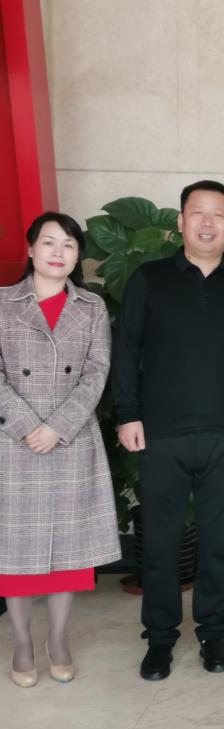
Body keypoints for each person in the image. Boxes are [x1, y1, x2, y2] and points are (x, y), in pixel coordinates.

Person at [112, 180, 224, 681]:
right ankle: (159, 639)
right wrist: (128, 414)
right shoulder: (150, 278)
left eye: (218, 214)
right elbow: (126, 349)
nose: (207, 222)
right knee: (159, 543)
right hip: (161, 434)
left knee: (218, 542)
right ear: (180, 222)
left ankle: (213, 633)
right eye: (197, 212)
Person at [0, 212, 121, 687]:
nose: (58, 252)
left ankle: (57, 638)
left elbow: (97, 373)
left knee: (69, 550)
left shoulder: (91, 307)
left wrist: (58, 427)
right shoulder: (3, 302)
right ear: (30, 249)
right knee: (16, 547)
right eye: (48, 242)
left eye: (69, 245)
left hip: (71, 441)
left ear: (77, 256)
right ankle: (22, 642)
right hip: (15, 442)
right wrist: (29, 425)